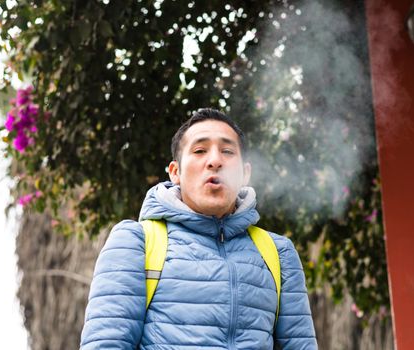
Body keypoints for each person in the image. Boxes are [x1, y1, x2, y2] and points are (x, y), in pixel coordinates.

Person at [80, 108, 318, 349]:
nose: (215, 161)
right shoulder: (135, 243)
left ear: (245, 173)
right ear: (175, 172)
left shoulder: (278, 253)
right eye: (199, 150)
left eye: (227, 151)